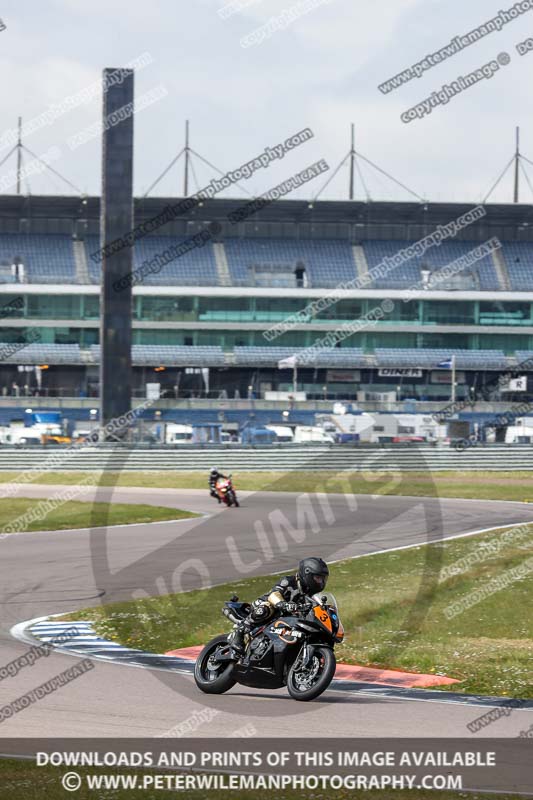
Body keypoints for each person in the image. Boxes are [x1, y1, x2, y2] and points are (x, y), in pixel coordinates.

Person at [230, 557, 329, 654]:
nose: (321, 582)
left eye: (323, 579)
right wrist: (283, 604)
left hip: (282, 618)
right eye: (318, 578)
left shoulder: (310, 593)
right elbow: (274, 594)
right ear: (307, 574)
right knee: (267, 608)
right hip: (264, 606)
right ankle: (239, 631)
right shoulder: (289, 581)